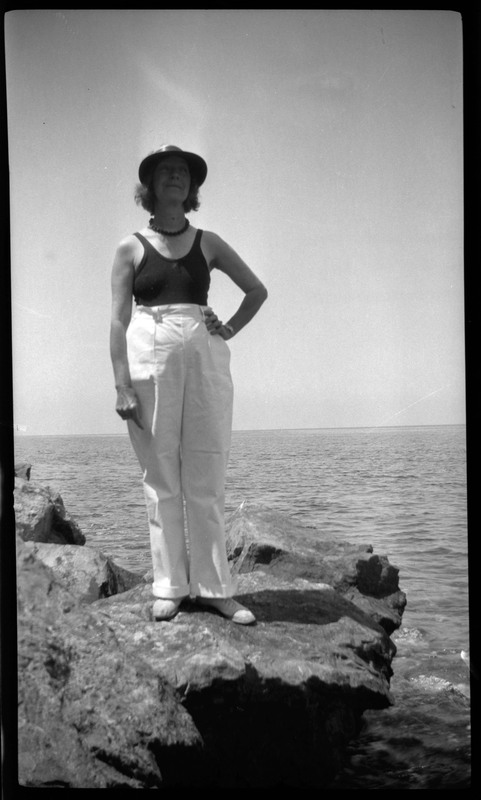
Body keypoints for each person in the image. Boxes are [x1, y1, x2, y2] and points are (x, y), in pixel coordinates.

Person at [110, 144, 267, 624]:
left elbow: (256, 290)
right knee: (160, 475)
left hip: (204, 355)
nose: (175, 176)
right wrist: (121, 385)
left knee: (207, 469)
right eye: (166, 171)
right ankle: (170, 587)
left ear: (191, 186)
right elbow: (118, 321)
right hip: (147, 352)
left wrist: (229, 327)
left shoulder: (209, 242)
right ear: (151, 185)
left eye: (183, 171)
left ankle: (215, 589)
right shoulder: (130, 247)